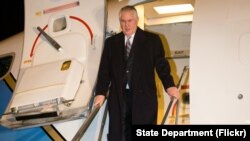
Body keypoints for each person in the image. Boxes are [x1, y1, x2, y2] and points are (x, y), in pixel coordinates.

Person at [94, 5, 179, 141]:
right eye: (123, 21)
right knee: (120, 135)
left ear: (137, 20)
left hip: (143, 98)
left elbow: (162, 66)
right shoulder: (111, 43)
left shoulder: (152, 40)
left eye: (130, 21)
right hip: (119, 99)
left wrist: (169, 86)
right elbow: (104, 71)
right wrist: (100, 93)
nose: (126, 25)